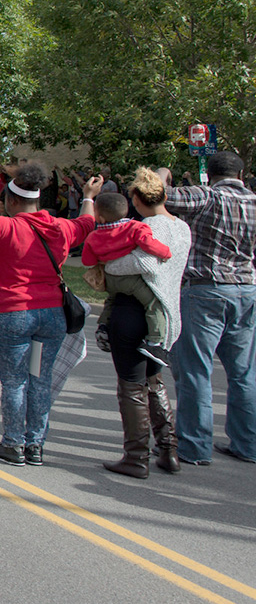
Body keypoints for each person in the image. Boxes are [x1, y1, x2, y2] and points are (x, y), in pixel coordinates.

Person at [0, 164, 101, 467]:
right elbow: (86, 222)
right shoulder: (59, 228)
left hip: (12, 313)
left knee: (14, 381)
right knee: (40, 380)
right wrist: (88, 196)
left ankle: (13, 443)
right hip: (52, 315)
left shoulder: (4, 228)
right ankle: (36, 444)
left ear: (12, 201)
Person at [160, 151, 256, 464]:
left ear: (209, 174)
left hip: (207, 288)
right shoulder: (253, 201)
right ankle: (247, 443)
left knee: (195, 372)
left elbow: (157, 195)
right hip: (247, 289)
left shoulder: (205, 197)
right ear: (241, 174)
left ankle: (195, 446)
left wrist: (162, 174)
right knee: (243, 373)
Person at [100, 168, 191, 478]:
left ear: (136, 199)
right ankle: (168, 449)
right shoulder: (182, 227)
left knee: (131, 385)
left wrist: (109, 264)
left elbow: (143, 262)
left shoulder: (147, 226)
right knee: (154, 382)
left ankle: (136, 455)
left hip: (135, 309)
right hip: (165, 312)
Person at [83, 192, 173, 365]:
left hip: (110, 279)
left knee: (112, 299)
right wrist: (166, 253)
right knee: (153, 303)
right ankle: (154, 341)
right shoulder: (135, 228)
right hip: (131, 280)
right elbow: (148, 243)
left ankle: (103, 326)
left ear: (100, 217)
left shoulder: (93, 237)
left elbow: (88, 261)